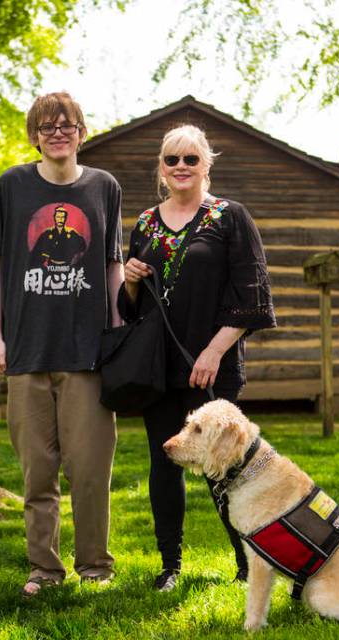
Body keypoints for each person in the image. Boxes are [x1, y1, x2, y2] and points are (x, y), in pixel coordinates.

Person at [120, 124, 276, 591]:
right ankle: (170, 566)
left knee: (224, 468)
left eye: (191, 159)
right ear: (161, 169)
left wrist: (213, 351)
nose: (181, 167)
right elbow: (129, 310)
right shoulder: (146, 223)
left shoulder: (230, 217)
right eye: (172, 160)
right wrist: (129, 278)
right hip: (156, 366)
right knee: (163, 462)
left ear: (207, 164)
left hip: (213, 366)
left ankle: (248, 563)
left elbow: (252, 298)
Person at [0, 92, 125, 597]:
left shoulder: (104, 187)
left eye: (67, 125)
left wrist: (115, 332)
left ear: (82, 132)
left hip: (86, 352)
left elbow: (112, 264)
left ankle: (95, 566)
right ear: (34, 135)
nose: (57, 132)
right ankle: (43, 568)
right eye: (47, 126)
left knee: (89, 471)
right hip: (26, 352)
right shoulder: (13, 187)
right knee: (38, 472)